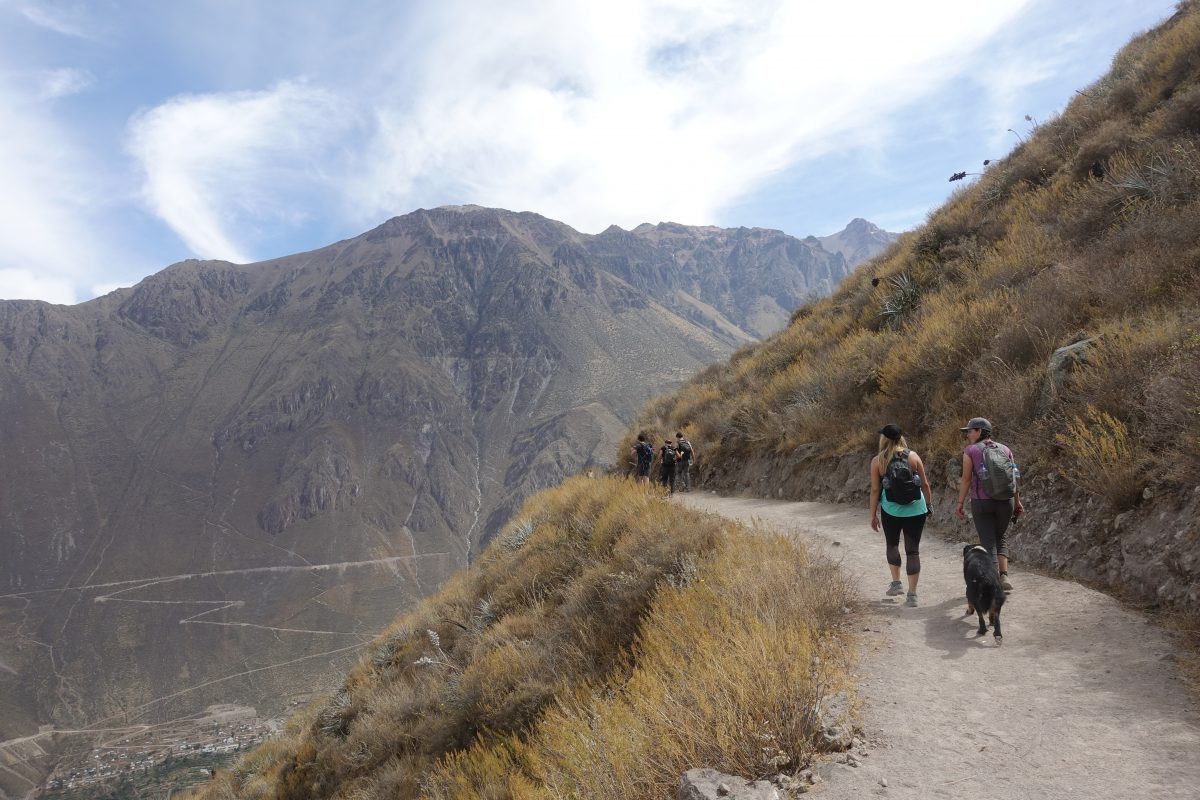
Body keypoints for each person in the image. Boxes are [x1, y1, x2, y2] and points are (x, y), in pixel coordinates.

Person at [955, 417, 1024, 592]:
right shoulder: (1005, 449)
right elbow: (1013, 477)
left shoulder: (971, 451)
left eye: (970, 431)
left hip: (982, 502)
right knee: (1000, 537)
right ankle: (1004, 575)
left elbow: (966, 479)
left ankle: (993, 582)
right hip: (1006, 501)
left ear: (979, 431)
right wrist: (1017, 501)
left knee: (988, 541)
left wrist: (960, 502)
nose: (968, 434)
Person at [869, 423, 931, 607]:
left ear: (884, 439)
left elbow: (874, 490)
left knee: (892, 544)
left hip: (891, 510)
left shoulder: (878, 461)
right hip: (916, 508)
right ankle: (912, 595)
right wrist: (928, 504)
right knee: (913, 550)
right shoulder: (913, 456)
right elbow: (925, 484)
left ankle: (896, 584)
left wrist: (873, 514)